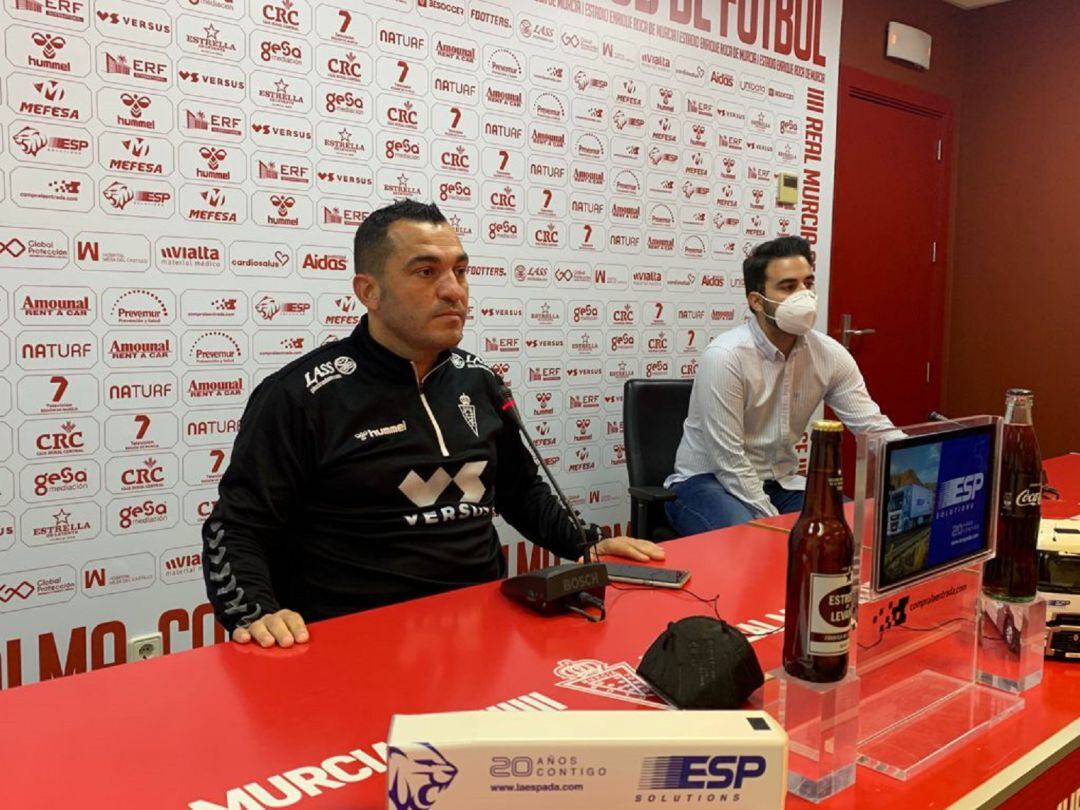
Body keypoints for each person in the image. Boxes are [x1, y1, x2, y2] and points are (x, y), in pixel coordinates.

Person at [203, 200, 663, 648]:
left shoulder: (478, 380)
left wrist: (586, 544)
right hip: (356, 643)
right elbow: (237, 527)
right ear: (369, 292)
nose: (453, 290)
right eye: (426, 273)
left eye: (460, 271)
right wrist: (256, 612)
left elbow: (520, 490)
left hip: (483, 631)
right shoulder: (300, 395)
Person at [664, 235, 895, 535]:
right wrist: (776, 524)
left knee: (845, 530)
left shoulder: (828, 354)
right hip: (706, 482)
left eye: (807, 284)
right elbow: (730, 462)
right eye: (788, 287)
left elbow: (872, 427)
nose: (804, 296)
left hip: (780, 483)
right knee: (753, 541)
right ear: (757, 301)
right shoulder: (725, 358)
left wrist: (925, 463)